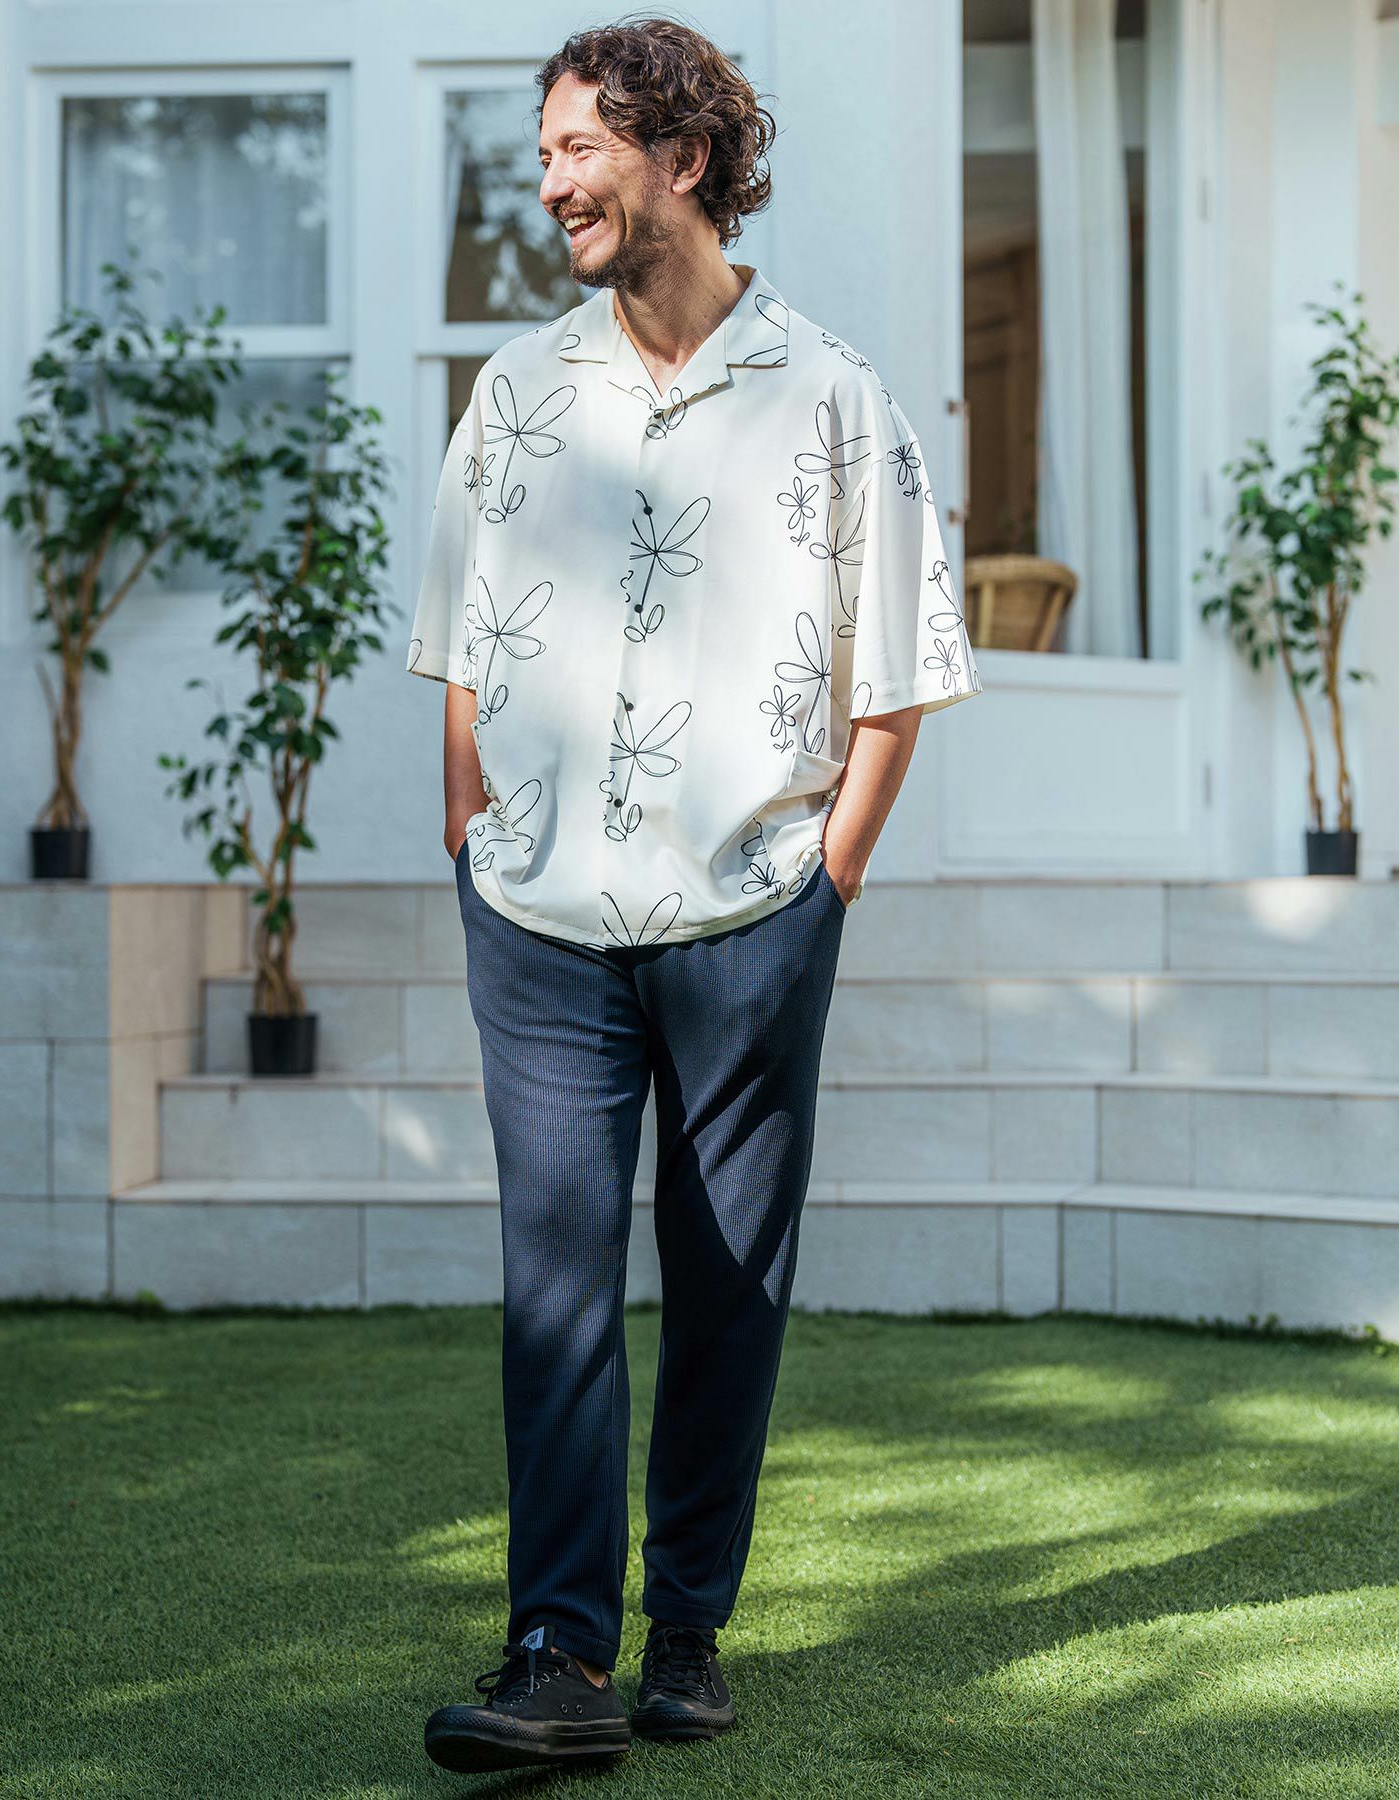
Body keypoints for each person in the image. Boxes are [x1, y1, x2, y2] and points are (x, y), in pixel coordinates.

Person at [409, 16, 981, 1776]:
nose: (550, 184)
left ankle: (685, 1633)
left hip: (753, 913)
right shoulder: (517, 393)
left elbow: (899, 673)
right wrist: (469, 832)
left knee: (727, 1280)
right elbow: (459, 636)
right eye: (544, 152)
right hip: (538, 920)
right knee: (554, 1286)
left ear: (684, 157)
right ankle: (559, 1656)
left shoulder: (835, 396)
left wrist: (829, 880)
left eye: (579, 148)